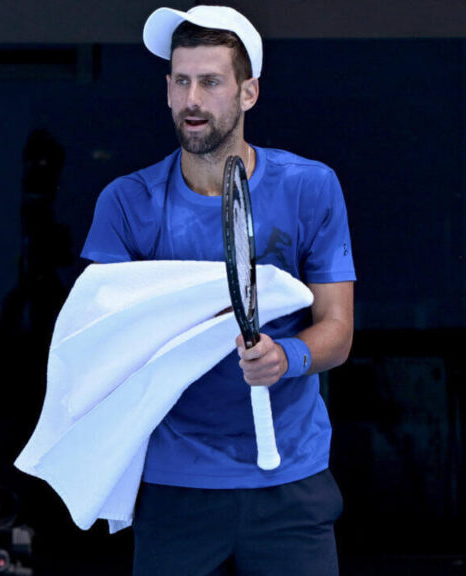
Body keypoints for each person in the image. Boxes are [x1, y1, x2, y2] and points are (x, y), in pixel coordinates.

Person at [81, 6, 355, 575]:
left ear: (248, 92)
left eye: (210, 81)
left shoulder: (312, 187)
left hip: (292, 482)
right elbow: (99, 341)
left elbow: (338, 327)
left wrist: (289, 357)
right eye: (180, 81)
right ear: (166, 89)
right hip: (173, 486)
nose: (192, 100)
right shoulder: (125, 203)